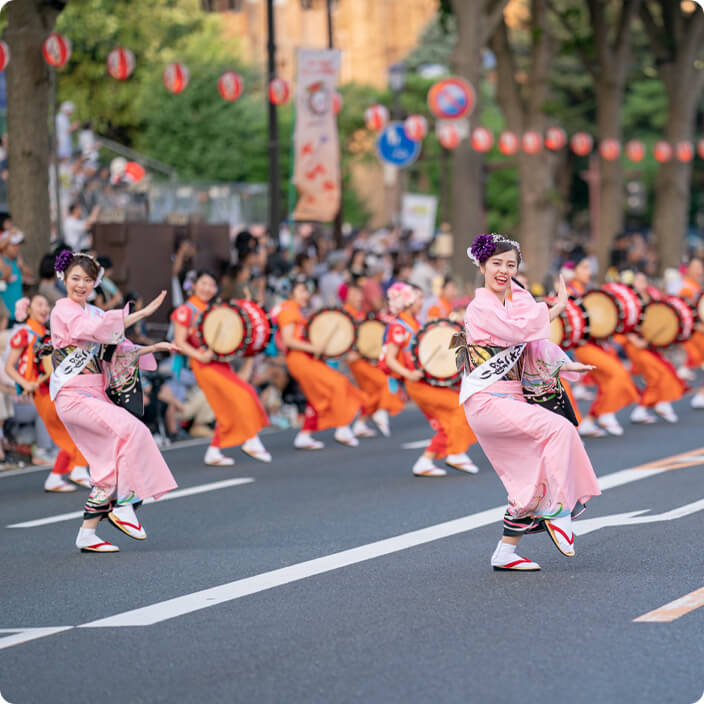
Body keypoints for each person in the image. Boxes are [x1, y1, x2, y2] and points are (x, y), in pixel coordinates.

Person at [460, 233, 600, 571]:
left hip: (511, 400)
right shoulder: (480, 307)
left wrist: (564, 364)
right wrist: (554, 310)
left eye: (511, 264)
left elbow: (534, 346)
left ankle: (505, 552)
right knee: (558, 430)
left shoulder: (515, 303)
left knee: (533, 474)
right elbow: (519, 332)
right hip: (488, 399)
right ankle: (557, 509)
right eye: (496, 263)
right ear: (481, 266)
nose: (503, 270)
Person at [49, 250, 178, 553]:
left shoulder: (92, 312)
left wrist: (153, 347)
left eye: (88, 280)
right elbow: (93, 331)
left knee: (108, 467)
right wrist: (140, 315)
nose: (81, 285)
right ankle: (125, 504)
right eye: (75, 278)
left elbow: (116, 349)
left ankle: (87, 533)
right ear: (64, 278)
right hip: (73, 394)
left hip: (93, 393)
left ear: (96, 283)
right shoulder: (63, 311)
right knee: (134, 432)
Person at [171, 270, 271, 465]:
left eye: (211, 285)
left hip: (218, 363)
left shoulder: (215, 309)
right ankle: (251, 439)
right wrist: (199, 354)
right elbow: (179, 341)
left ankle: (214, 451)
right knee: (242, 394)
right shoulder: (186, 310)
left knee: (226, 406)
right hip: (202, 364)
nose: (208, 288)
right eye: (204, 283)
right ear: (194, 285)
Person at [380, 282, 479, 477]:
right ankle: (456, 453)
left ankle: (425, 462)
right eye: (418, 298)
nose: (421, 302)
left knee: (448, 423)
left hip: (425, 381)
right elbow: (390, 359)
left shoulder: (415, 323)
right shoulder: (398, 326)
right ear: (406, 300)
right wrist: (408, 374)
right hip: (416, 383)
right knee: (459, 408)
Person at [5, 295, 91, 492]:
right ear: (28, 310)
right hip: (41, 393)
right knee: (71, 431)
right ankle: (76, 470)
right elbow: (10, 367)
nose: (45, 309)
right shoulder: (24, 334)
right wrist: (25, 382)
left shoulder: (46, 333)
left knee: (72, 430)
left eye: (47, 305)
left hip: (52, 388)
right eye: (40, 305)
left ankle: (58, 476)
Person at [276, 275, 363, 450]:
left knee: (318, 397)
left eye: (306, 291)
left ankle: (304, 435)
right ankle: (342, 427)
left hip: (307, 358)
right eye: (301, 290)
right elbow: (288, 340)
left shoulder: (298, 311)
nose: (305, 294)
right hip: (299, 359)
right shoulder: (288, 311)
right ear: (291, 293)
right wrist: (314, 347)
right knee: (337, 384)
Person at [567, 253, 640, 437]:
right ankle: (600, 415)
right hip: (584, 347)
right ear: (573, 271)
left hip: (597, 345)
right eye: (583, 267)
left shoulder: (589, 290)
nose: (588, 271)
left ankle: (596, 418)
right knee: (619, 374)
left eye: (588, 267)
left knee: (610, 381)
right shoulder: (569, 292)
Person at [342, 282, 403, 437]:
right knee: (384, 382)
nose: (358, 297)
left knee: (372, 393)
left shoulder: (359, 313)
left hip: (365, 359)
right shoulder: (343, 315)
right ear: (345, 296)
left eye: (359, 294)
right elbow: (340, 340)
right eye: (354, 294)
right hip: (356, 360)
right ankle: (380, 412)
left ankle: (360, 424)